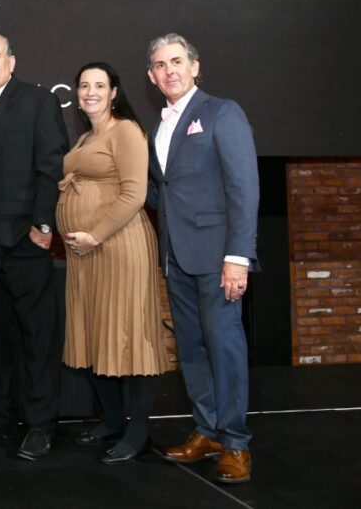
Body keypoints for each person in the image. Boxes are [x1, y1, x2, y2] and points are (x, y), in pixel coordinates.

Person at [145, 33, 259, 483]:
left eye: (177, 61)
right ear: (152, 77)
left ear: (195, 66)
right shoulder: (159, 125)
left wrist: (238, 257)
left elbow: (243, 188)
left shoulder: (222, 112)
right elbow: (164, 191)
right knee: (191, 350)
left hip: (217, 259)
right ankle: (208, 430)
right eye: (160, 64)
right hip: (175, 257)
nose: (169, 70)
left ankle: (235, 443)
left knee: (225, 349)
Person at [57, 62, 169, 464]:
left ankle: (137, 432)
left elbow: (135, 194)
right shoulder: (87, 135)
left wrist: (96, 233)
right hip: (85, 253)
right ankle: (111, 421)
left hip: (119, 246)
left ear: (114, 92)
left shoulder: (126, 131)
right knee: (93, 333)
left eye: (98, 85)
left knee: (129, 335)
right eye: (83, 85)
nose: (90, 92)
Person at [0, 32, 69, 459]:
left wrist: (44, 224)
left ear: (12, 62)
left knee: (37, 336)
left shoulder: (37, 101)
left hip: (26, 240)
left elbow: (52, 167)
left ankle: (42, 423)